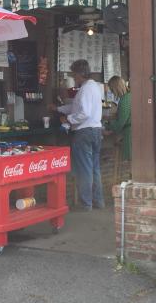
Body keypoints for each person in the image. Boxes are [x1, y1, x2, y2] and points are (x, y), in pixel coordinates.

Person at [50, 59, 103, 211]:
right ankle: (98, 201)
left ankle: (86, 204)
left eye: (74, 75)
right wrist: (59, 109)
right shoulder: (94, 87)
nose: (74, 78)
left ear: (80, 74)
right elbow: (76, 107)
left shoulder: (85, 89)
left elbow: (83, 113)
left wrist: (68, 119)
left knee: (84, 169)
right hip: (96, 130)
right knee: (94, 168)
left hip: (84, 132)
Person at [104, 76, 132, 161]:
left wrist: (107, 125)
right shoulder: (129, 96)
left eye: (112, 90)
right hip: (131, 130)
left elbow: (120, 123)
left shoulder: (124, 100)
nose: (112, 92)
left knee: (129, 161)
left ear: (116, 88)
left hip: (129, 133)